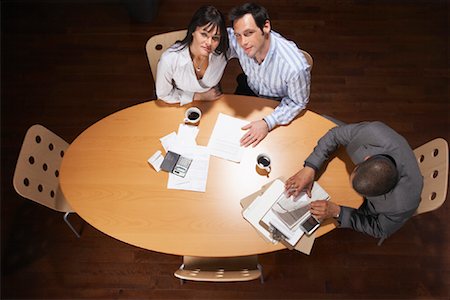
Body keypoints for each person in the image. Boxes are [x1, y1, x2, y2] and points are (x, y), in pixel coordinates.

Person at [285, 121, 423, 240]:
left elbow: (380, 229)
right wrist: (310, 168)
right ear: (367, 158)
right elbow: (335, 135)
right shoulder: (373, 133)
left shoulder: (403, 205)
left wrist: (338, 212)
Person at [228, 3, 311, 147]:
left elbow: (298, 102)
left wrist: (268, 122)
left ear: (266, 27)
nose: (243, 42)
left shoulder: (294, 66)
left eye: (248, 33)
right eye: (238, 35)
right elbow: (215, 37)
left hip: (277, 103)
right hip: (249, 89)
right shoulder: (238, 40)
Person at [156, 5, 229, 105]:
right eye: (204, 34)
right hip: (182, 104)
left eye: (215, 38)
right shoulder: (170, 59)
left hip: (214, 102)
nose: (209, 42)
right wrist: (197, 96)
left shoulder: (222, 51)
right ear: (193, 31)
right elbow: (163, 94)